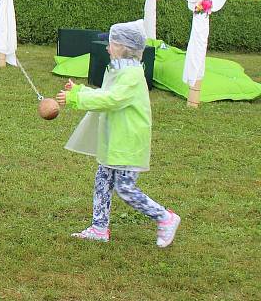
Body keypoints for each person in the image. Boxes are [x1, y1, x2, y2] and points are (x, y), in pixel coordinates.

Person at [55, 20, 181, 247]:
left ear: (123, 47)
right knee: (102, 180)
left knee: (125, 188)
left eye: (110, 43)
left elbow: (112, 99)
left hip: (128, 141)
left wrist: (76, 98)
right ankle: (99, 228)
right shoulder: (119, 70)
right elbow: (107, 94)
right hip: (116, 139)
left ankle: (165, 217)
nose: (107, 47)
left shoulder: (131, 75)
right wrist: (79, 91)